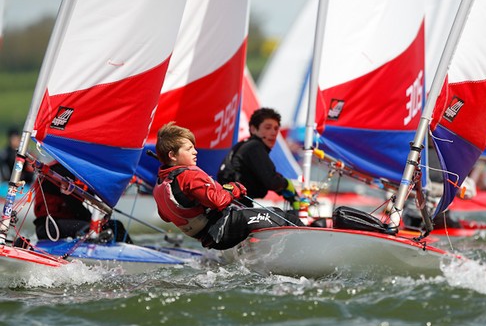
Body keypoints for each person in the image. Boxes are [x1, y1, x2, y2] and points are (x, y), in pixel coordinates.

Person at [153, 122, 301, 251]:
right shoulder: (188, 176)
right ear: (172, 155)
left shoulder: (161, 184)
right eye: (189, 149)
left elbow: (165, 217)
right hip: (224, 228)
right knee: (281, 216)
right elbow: (217, 201)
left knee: (269, 215)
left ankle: (266, 248)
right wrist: (234, 188)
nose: (195, 151)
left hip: (209, 238)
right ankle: (311, 243)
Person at [217, 108, 299, 208]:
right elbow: (271, 181)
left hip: (232, 205)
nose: (273, 133)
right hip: (237, 206)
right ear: (253, 129)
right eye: (268, 128)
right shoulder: (254, 147)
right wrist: (287, 184)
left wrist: (282, 189)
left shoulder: (245, 145)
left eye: (276, 128)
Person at [33, 161, 132, 243]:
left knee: (116, 225)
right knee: (88, 229)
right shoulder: (58, 171)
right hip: (50, 226)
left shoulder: (83, 174)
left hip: (73, 223)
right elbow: (73, 205)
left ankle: (132, 253)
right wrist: (94, 223)